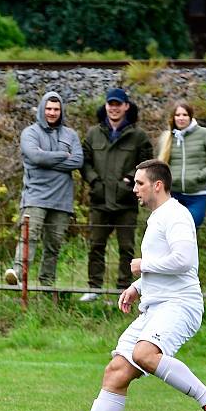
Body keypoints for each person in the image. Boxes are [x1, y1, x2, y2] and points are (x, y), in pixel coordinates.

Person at [51, 160, 206, 411]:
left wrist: (143, 265)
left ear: (157, 185)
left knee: (144, 354)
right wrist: (138, 286)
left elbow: (184, 260)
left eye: (139, 183)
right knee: (117, 371)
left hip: (180, 304)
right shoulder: (158, 217)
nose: (134, 189)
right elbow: (165, 266)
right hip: (156, 305)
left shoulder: (176, 215)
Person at [79, 88, 153, 302]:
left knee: (126, 248)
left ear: (126, 107)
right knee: (96, 246)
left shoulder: (138, 136)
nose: (113, 108)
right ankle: (94, 289)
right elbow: (85, 161)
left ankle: (123, 290)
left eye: (118, 104)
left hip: (126, 201)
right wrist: (94, 181)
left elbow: (146, 162)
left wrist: (129, 180)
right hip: (99, 200)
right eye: (110, 104)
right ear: (106, 106)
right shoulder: (94, 133)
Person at [4, 92, 83, 287]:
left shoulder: (70, 135)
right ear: (42, 109)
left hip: (62, 200)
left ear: (61, 111)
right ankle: (18, 277)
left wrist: (48, 159)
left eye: (56, 109)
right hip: (35, 197)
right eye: (48, 108)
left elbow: (78, 160)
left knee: (54, 244)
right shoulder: (30, 133)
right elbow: (36, 157)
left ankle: (47, 284)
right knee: (28, 238)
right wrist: (63, 156)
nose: (52, 113)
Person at [157, 101, 206, 228]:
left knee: (188, 227)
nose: (181, 118)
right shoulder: (167, 137)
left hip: (197, 195)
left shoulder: (204, 134)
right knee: (172, 231)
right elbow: (160, 166)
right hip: (173, 196)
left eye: (185, 115)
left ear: (191, 117)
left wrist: (199, 176)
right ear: (173, 117)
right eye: (177, 115)